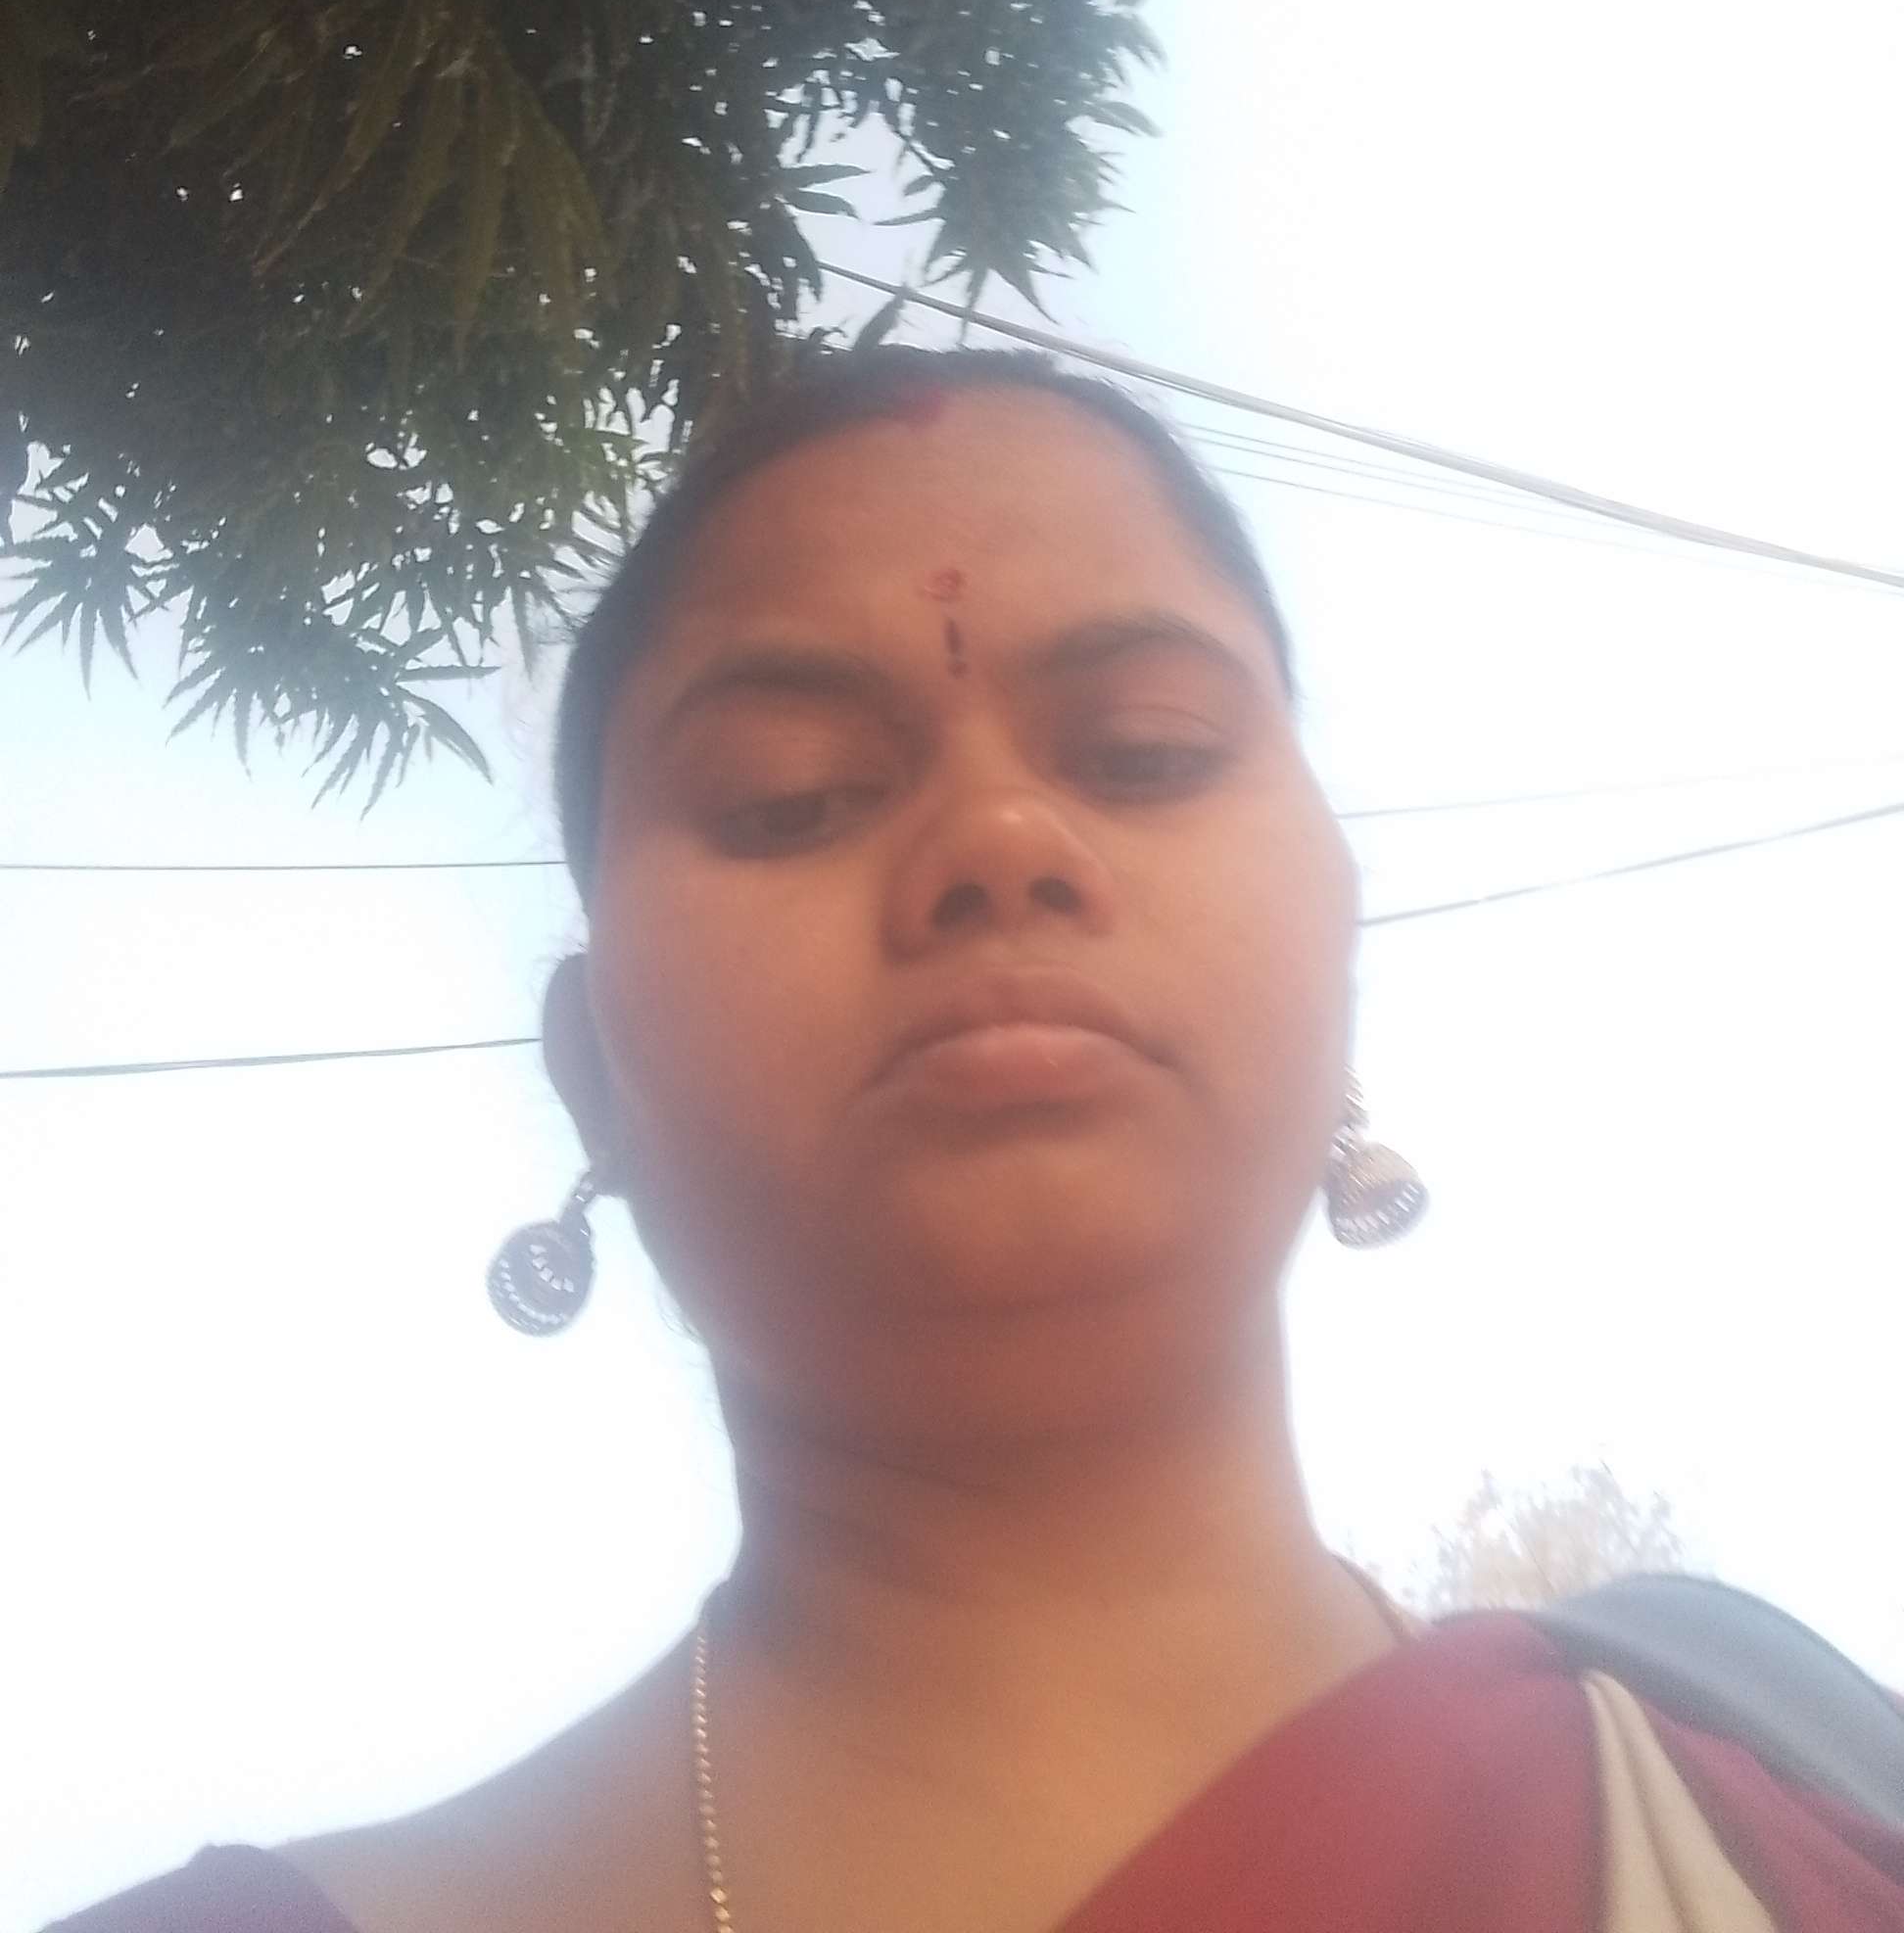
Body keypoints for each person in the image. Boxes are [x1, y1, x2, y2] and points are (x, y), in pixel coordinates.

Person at [54, 349, 1904, 1933]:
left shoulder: (1803, 1819)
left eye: (1147, 749)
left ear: (1341, 942)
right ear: (593, 1073)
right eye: (792, 796)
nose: (1001, 839)